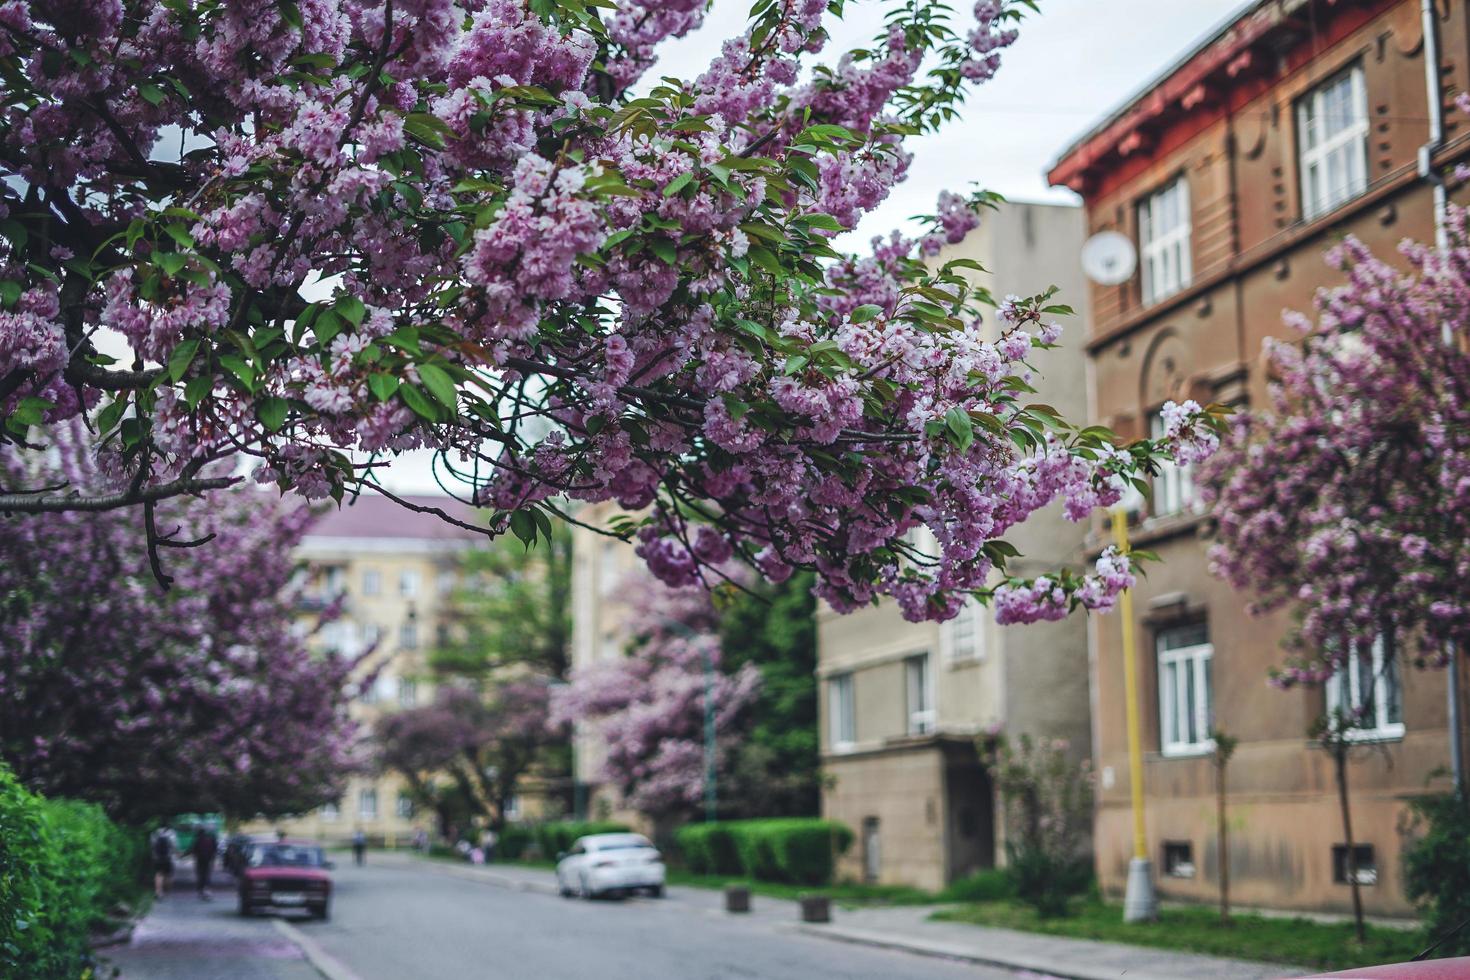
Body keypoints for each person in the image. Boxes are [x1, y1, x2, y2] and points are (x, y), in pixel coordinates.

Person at [192, 824, 219, 900]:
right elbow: (215, 850)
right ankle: (207, 890)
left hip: (200, 860)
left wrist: (183, 856)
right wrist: (213, 859)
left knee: (200, 874)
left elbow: (193, 850)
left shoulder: (197, 839)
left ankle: (201, 891)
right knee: (207, 874)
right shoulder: (211, 839)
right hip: (209, 860)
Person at [150, 826, 176, 899]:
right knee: (168, 875)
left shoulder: (154, 834)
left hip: (157, 858)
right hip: (168, 858)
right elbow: (174, 846)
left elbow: (152, 846)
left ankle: (158, 892)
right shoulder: (171, 834)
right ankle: (166, 889)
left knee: (158, 874)